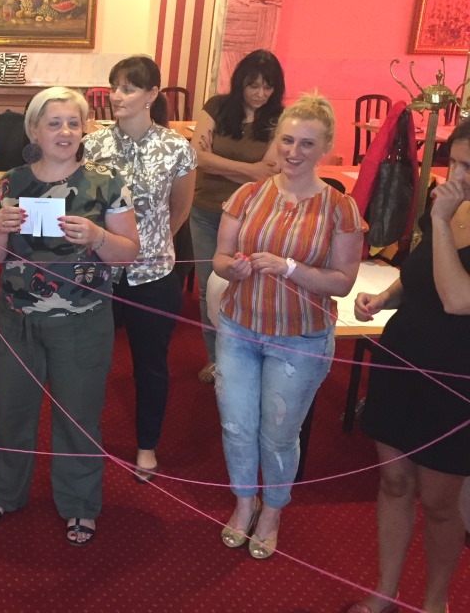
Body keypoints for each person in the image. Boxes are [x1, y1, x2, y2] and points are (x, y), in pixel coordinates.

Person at [0, 86, 140, 546]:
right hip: (16, 319)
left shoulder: (107, 182)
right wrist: (0, 228)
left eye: (73, 122)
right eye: (54, 123)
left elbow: (129, 253)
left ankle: (80, 503)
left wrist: (97, 236)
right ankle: (5, 493)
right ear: (34, 130)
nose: (65, 132)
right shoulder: (10, 183)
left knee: (78, 415)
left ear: (84, 129)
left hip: (83, 321)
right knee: (12, 412)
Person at [212, 93, 363, 560]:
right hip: (239, 328)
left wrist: (289, 267)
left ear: (325, 149)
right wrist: (233, 269)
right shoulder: (247, 195)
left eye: (307, 144)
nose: (294, 152)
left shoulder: (340, 208)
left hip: (300, 338)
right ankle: (244, 504)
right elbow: (219, 259)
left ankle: (273, 510)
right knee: (236, 425)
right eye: (287, 141)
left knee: (278, 435)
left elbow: (342, 283)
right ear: (275, 140)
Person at [346, 120, 470, 613]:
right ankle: (385, 591)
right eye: (454, 162)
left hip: (455, 378)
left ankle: (435, 602)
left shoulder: (444, 211)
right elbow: (420, 274)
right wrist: (384, 297)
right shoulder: (447, 206)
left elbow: (457, 298)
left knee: (439, 503)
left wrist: (439, 220)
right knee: (394, 482)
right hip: (402, 359)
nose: (457, 175)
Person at [82, 55, 196, 482]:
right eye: (114, 87)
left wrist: (150, 244)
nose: (117, 96)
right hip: (100, 270)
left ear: (152, 94)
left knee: (150, 364)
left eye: (128, 88)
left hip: (153, 274)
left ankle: (147, 446)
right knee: (88, 361)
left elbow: (179, 210)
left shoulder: (176, 148)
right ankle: (83, 437)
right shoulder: (93, 144)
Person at [191, 50, 284, 384]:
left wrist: (217, 164)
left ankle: (243, 357)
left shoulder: (279, 119)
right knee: (208, 287)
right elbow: (196, 157)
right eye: (252, 85)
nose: (260, 93)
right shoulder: (216, 107)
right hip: (205, 210)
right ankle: (215, 358)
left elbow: (268, 173)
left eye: (267, 87)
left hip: (251, 216)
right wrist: (249, 170)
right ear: (239, 83)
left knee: (246, 286)